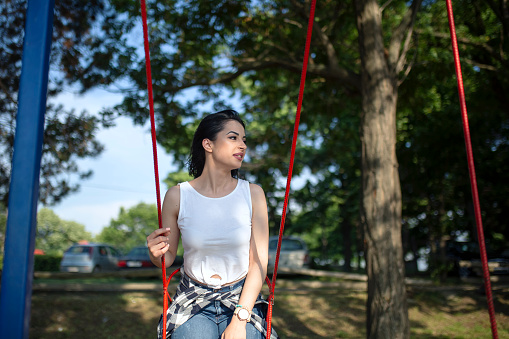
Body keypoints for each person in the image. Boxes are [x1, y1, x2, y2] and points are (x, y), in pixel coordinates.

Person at [147, 110, 278, 339]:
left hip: (241, 298)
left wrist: (240, 319)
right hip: (192, 298)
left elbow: (258, 263)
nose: (242, 146)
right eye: (233, 137)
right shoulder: (178, 196)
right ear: (208, 144)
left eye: (244, 140)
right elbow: (165, 260)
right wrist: (154, 252)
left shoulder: (253, 194)